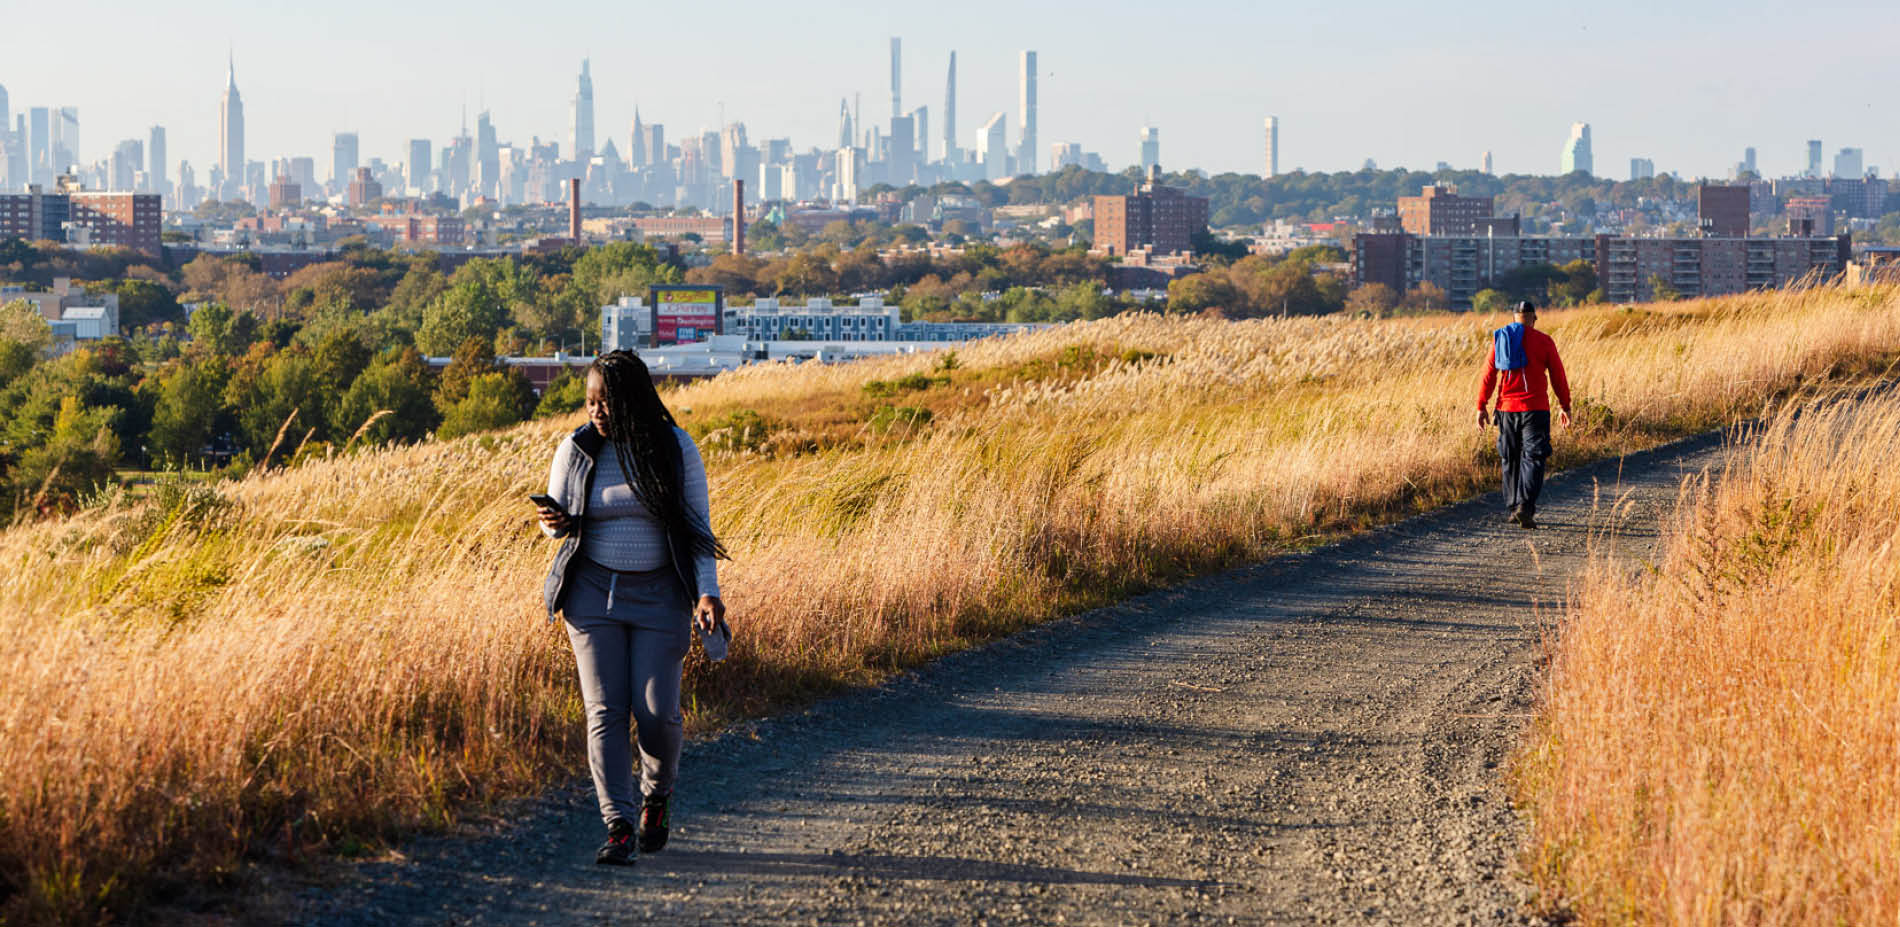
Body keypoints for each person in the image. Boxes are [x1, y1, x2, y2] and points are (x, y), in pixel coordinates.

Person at [537, 349, 728, 866]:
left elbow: (697, 530)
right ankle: (618, 825)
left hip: (660, 595)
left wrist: (707, 591)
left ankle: (657, 796)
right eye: (591, 401)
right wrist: (552, 524)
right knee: (604, 710)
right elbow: (554, 517)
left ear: (634, 400)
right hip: (591, 594)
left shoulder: (673, 448)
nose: (597, 411)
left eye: (607, 401)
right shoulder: (575, 449)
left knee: (657, 714)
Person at [1477, 300, 1572, 529]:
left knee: (1510, 458)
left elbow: (1489, 374)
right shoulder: (1544, 341)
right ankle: (1525, 508)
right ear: (1533, 319)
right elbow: (1558, 375)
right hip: (1536, 409)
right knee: (1534, 457)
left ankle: (1513, 507)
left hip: (1507, 410)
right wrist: (1565, 405)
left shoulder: (1501, 339)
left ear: (1514, 318)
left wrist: (1481, 405)